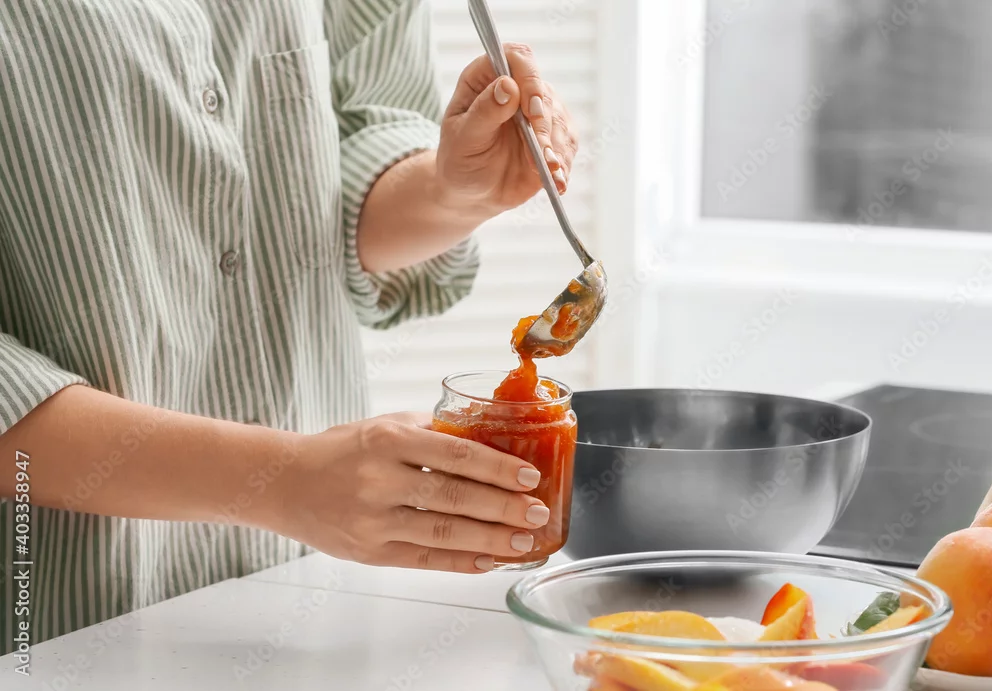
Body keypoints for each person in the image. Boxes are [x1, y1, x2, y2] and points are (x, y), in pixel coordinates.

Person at [0, 0, 579, 651]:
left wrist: (454, 192)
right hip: (68, 624)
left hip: (312, 604)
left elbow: (353, 159)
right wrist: (285, 480)